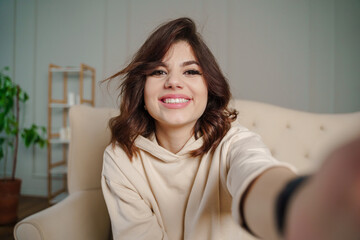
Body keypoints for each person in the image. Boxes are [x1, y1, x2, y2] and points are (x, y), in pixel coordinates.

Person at [101, 17, 360, 240]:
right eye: (158, 72)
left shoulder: (233, 142)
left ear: (209, 86)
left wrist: (296, 207)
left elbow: (256, 174)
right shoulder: (121, 157)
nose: (174, 82)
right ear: (141, 88)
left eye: (191, 72)